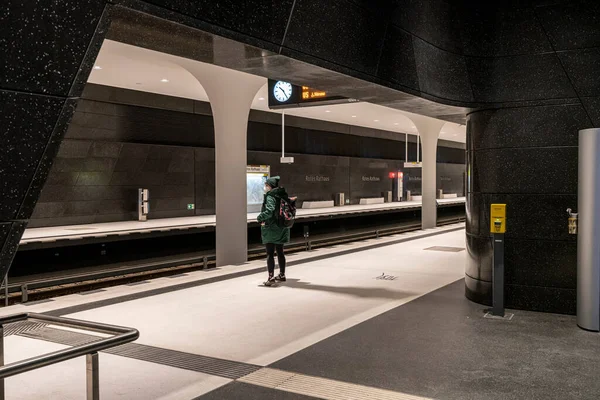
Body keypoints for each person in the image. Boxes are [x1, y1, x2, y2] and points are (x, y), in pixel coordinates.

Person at [257, 176, 291, 286]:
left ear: (270, 186)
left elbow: (270, 210)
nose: (265, 187)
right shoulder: (282, 194)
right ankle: (282, 274)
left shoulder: (270, 196)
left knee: (270, 253)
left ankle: (270, 278)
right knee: (280, 252)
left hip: (272, 228)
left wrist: (260, 217)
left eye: (266, 185)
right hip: (282, 227)